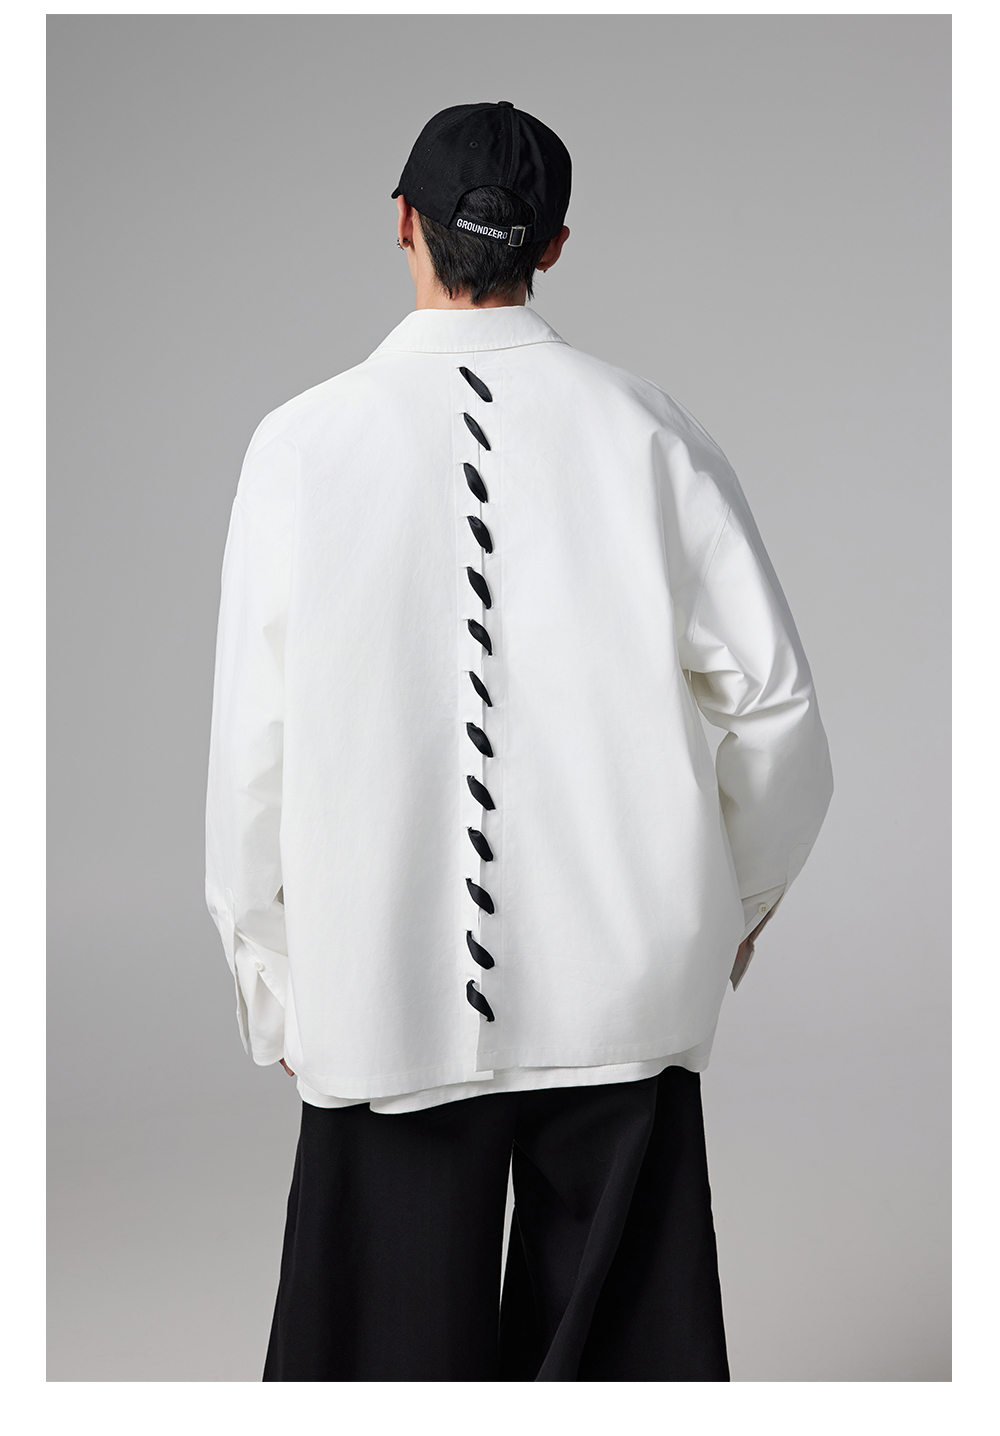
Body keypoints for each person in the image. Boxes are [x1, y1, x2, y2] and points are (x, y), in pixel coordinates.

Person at [204, 100, 833, 1382]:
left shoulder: (300, 444)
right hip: (625, 988)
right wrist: (728, 906)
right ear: (553, 247)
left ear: (401, 222)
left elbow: (251, 746)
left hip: (378, 994)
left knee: (376, 1378)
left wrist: (276, 981)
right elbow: (772, 705)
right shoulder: (648, 429)